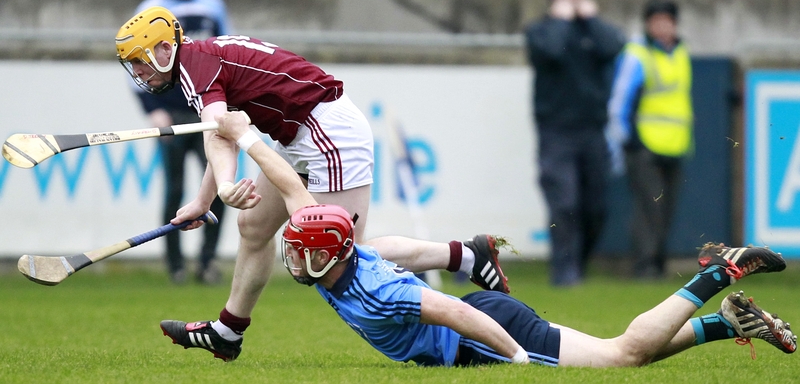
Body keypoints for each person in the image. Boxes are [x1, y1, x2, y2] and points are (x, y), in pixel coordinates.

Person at [162, 111, 797, 366]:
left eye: (302, 252)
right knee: (628, 351)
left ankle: (719, 273)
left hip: (486, 332)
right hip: (479, 316)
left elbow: (452, 310)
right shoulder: (337, 244)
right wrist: (244, 136)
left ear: (330, 253)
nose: (293, 257)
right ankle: (729, 324)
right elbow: (290, 186)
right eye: (297, 251)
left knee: (622, 355)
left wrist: (518, 363)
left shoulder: (373, 289)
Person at [115, 5, 510, 359]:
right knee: (252, 227)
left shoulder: (195, 65)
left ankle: (466, 255)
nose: (138, 73)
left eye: (140, 62)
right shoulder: (199, 61)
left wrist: (222, 187)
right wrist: (206, 199)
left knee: (346, 254)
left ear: (165, 49)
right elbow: (224, 128)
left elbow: (219, 132)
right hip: (299, 136)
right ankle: (228, 331)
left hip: (328, 133)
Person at [130, 0, 231, 285]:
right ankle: (174, 264)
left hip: (207, 112)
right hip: (172, 113)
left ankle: (207, 262)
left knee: (218, 189)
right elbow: (135, 65)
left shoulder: (213, 5)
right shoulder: (150, 8)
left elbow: (224, 51)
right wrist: (152, 108)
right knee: (175, 191)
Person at [524, 0, 627, 287]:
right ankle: (564, 272)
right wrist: (560, 19)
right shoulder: (541, 30)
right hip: (556, 130)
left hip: (593, 130)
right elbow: (551, 50)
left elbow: (614, 46)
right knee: (564, 202)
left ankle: (579, 264)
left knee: (596, 206)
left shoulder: (593, 31)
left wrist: (591, 19)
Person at [606, 0, 693, 280]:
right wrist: (626, 140)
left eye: (667, 20)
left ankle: (658, 264)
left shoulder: (680, 52)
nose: (662, 26)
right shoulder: (637, 54)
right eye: (656, 20)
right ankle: (645, 266)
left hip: (676, 143)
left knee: (667, 210)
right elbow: (619, 101)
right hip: (645, 144)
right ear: (647, 24)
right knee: (649, 209)